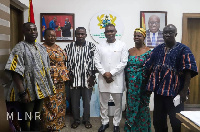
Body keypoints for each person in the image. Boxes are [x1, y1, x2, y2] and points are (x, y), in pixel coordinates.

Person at [145, 24, 198, 132]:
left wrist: (184, 91)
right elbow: (148, 66)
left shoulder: (183, 49)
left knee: (176, 122)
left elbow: (189, 71)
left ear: (175, 34)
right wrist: (148, 87)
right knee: (158, 121)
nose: (168, 34)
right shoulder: (158, 49)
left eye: (170, 32)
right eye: (165, 32)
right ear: (162, 34)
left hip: (175, 93)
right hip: (159, 92)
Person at [4, 22, 56, 131]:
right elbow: (15, 72)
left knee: (36, 117)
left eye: (34, 29)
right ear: (23, 32)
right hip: (27, 91)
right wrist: (22, 93)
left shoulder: (41, 47)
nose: (32, 32)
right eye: (29, 30)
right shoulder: (19, 47)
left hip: (40, 91)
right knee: (26, 118)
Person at [94, 24, 128, 132]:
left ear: (115, 31)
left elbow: (124, 62)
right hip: (103, 79)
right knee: (103, 103)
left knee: (118, 104)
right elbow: (96, 61)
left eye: (112, 31)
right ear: (105, 33)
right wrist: (105, 73)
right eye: (107, 31)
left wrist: (111, 73)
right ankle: (105, 122)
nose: (110, 33)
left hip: (117, 79)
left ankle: (116, 123)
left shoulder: (122, 45)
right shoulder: (99, 46)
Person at [64, 27, 96, 129]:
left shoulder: (92, 46)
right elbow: (64, 63)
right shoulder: (69, 47)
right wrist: (68, 76)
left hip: (88, 80)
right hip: (74, 80)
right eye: (78, 34)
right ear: (75, 35)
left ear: (86, 35)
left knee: (87, 102)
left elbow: (96, 62)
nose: (80, 36)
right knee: (74, 103)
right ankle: (76, 120)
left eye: (82, 34)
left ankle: (86, 120)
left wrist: (93, 76)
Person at [41, 28, 69, 131]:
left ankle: (59, 123)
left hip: (60, 81)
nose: (52, 37)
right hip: (49, 80)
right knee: (50, 103)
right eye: (49, 36)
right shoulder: (41, 48)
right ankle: (50, 125)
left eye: (54, 35)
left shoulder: (58, 47)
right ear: (45, 37)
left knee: (61, 102)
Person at [124, 28, 151, 132]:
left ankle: (143, 129)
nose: (136, 37)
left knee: (143, 105)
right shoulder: (129, 51)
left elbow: (151, 69)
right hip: (131, 83)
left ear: (144, 37)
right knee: (131, 105)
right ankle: (131, 128)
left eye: (139, 35)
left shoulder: (149, 51)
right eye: (135, 35)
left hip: (143, 83)